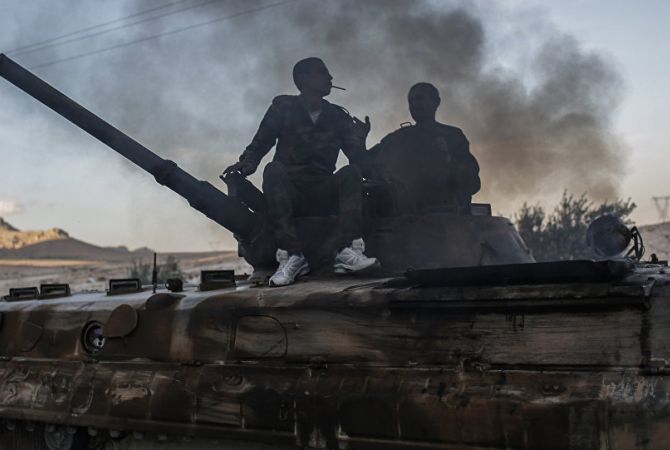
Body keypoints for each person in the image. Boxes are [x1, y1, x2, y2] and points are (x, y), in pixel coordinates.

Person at [222, 57, 378, 286]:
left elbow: (358, 160)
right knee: (273, 169)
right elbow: (261, 142)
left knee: (351, 172)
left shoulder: (338, 116)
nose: (330, 78)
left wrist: (360, 141)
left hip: (323, 191)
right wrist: (248, 163)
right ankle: (292, 255)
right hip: (290, 191)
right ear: (303, 78)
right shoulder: (283, 108)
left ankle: (347, 251)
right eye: (322, 72)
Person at [367, 82, 480, 214]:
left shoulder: (452, 136)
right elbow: (366, 166)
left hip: (443, 216)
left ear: (436, 102)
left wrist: (446, 158)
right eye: (411, 101)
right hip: (402, 217)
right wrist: (358, 141)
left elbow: (472, 183)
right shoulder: (398, 138)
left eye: (420, 98)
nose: (415, 104)